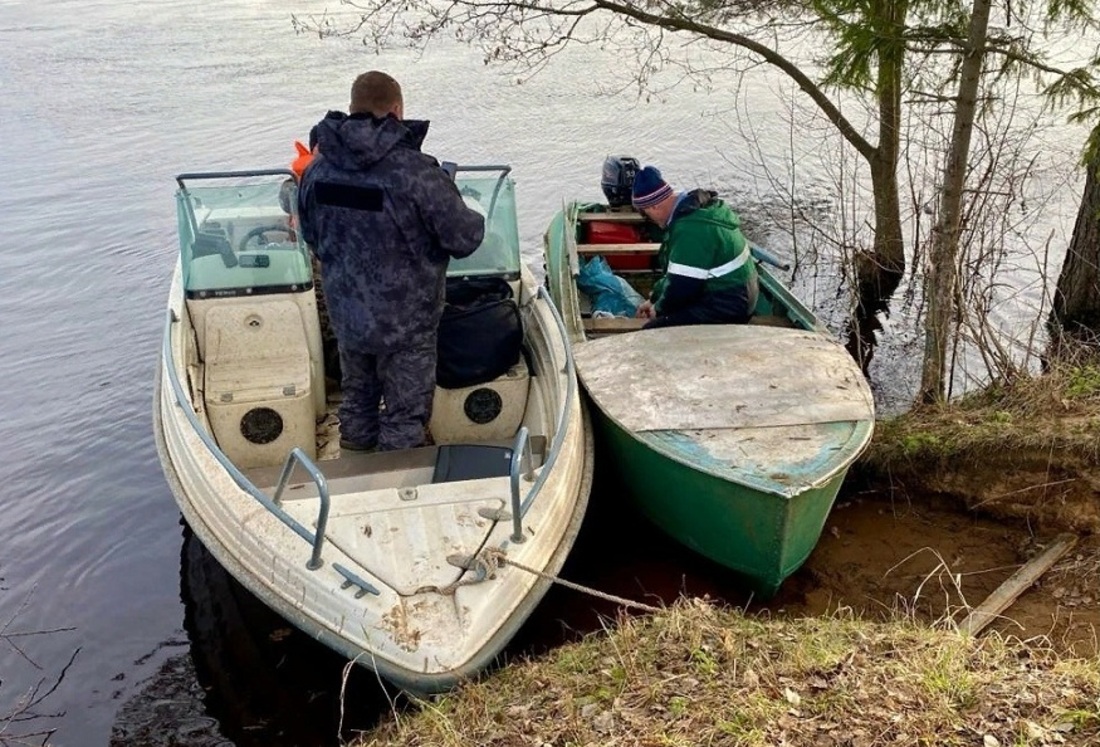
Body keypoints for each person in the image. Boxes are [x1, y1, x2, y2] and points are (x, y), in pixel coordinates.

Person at [296, 71, 485, 452]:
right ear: (397, 110)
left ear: (351, 109)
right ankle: (389, 492)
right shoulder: (417, 174)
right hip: (407, 326)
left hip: (348, 318)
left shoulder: (316, 172)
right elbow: (464, 239)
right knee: (404, 416)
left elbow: (312, 237)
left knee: (357, 402)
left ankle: (352, 476)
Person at [631, 165, 759, 328]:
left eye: (646, 214)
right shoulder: (697, 212)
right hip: (738, 294)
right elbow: (677, 272)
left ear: (654, 206)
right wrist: (654, 298)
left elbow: (681, 287)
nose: (651, 221)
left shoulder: (690, 231)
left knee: (652, 330)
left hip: (729, 305)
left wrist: (658, 310)